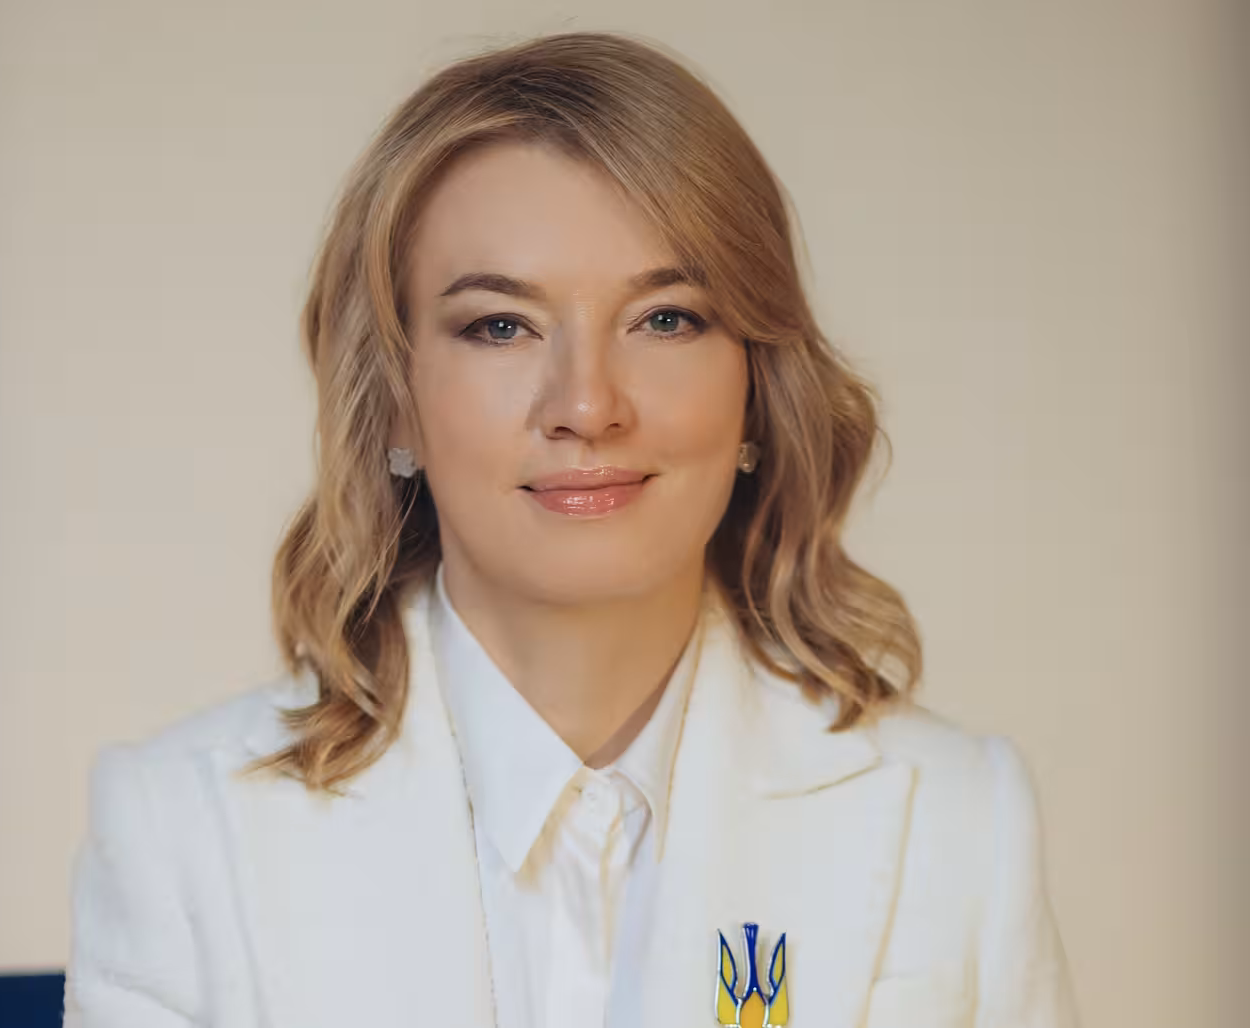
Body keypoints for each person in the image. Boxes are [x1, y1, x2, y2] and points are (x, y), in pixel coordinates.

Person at [62, 30, 1078, 1028]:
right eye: (500, 325)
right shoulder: (182, 833)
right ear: (397, 401)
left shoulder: (959, 821)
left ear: (758, 388)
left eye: (666, 318)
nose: (587, 405)